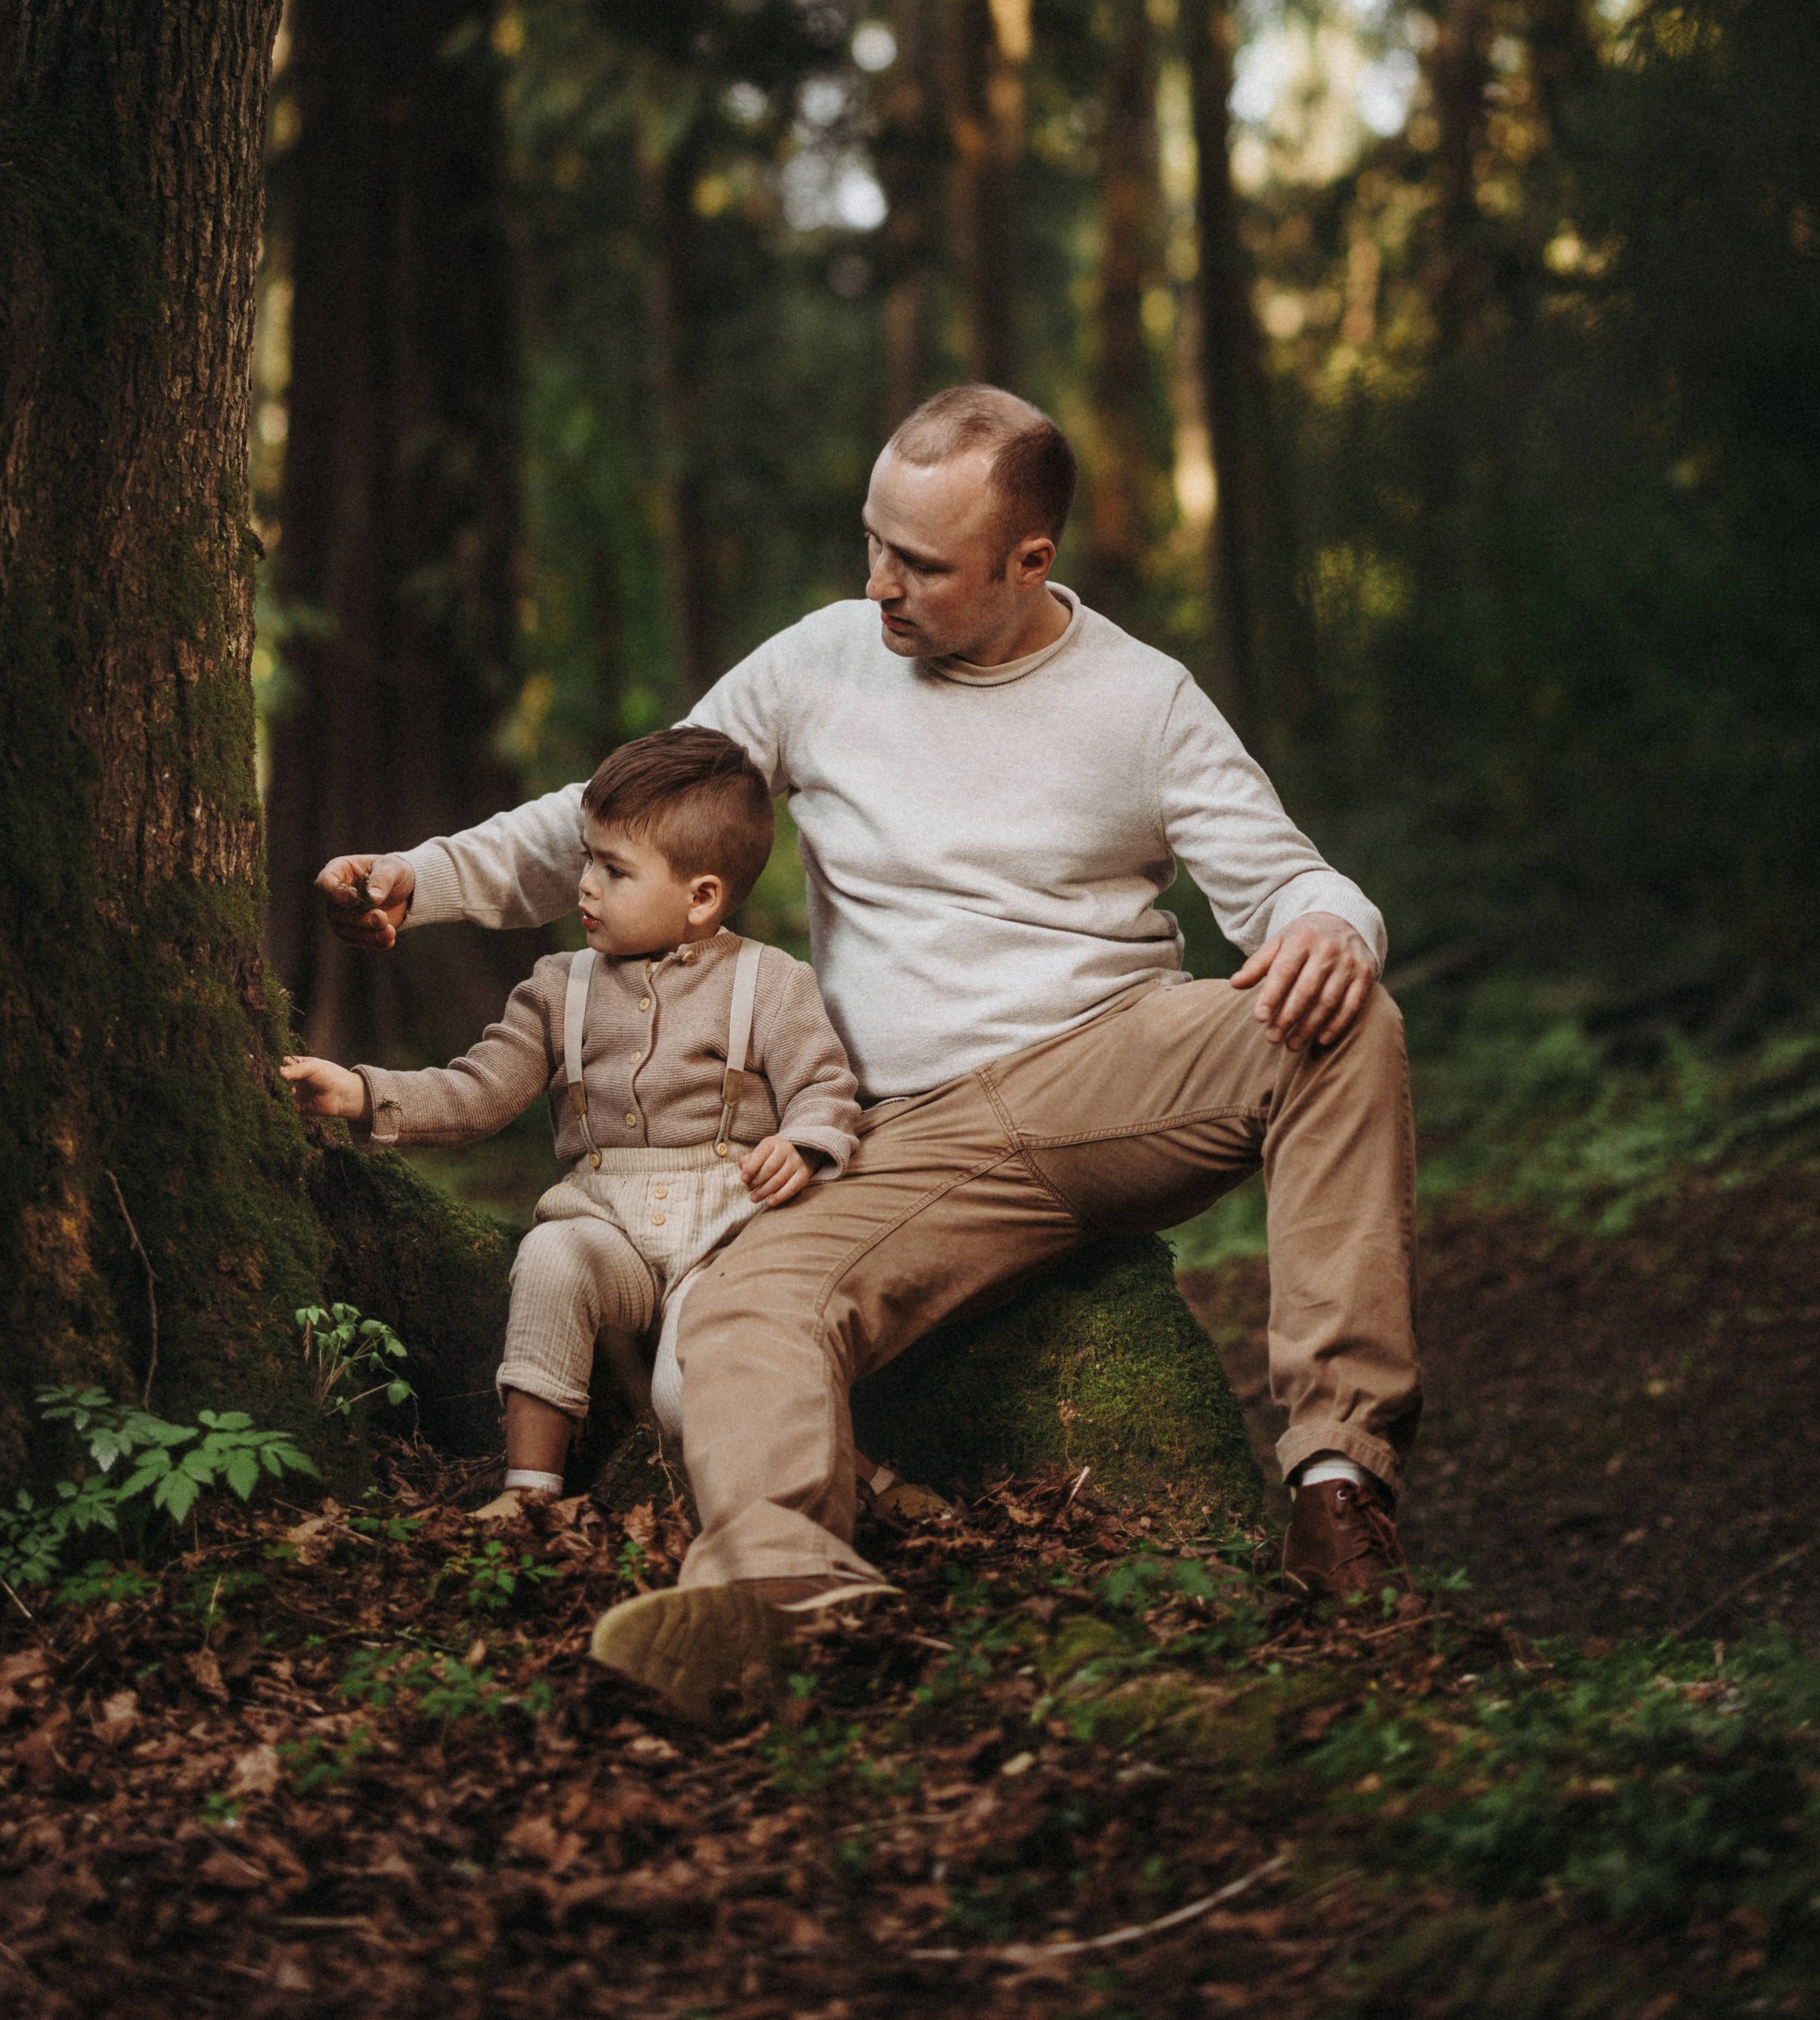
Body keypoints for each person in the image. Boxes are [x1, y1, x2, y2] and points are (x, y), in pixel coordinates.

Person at [319, 386, 1420, 1719]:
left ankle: (1336, 1484)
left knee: (1347, 1015)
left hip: (1110, 1066)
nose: (879, 582)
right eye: (873, 541)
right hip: (898, 1133)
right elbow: (625, 816)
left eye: (923, 563)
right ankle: (794, 1590)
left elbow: (1293, 883)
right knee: (736, 1306)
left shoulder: (1143, 700)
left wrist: (1329, 927)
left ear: (1032, 563)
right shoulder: (819, 663)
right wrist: (420, 877)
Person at [286, 727, 859, 1512]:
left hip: (727, 1234)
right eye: (587, 857)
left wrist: (804, 1142)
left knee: (695, 1379)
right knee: (553, 1258)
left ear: (703, 897)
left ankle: (774, 1492)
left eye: (614, 870)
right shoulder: (560, 986)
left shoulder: (770, 983)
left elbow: (824, 1085)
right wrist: (359, 1093)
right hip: (608, 1226)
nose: (585, 885)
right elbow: (479, 1090)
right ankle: (530, 1490)